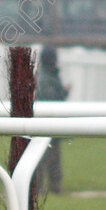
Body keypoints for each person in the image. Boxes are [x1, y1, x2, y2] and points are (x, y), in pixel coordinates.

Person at [35, 46, 70, 194]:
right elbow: (50, 99)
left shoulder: (47, 75)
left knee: (49, 158)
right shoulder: (46, 77)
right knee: (47, 158)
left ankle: (48, 187)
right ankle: (44, 187)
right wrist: (64, 93)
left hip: (47, 123)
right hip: (46, 124)